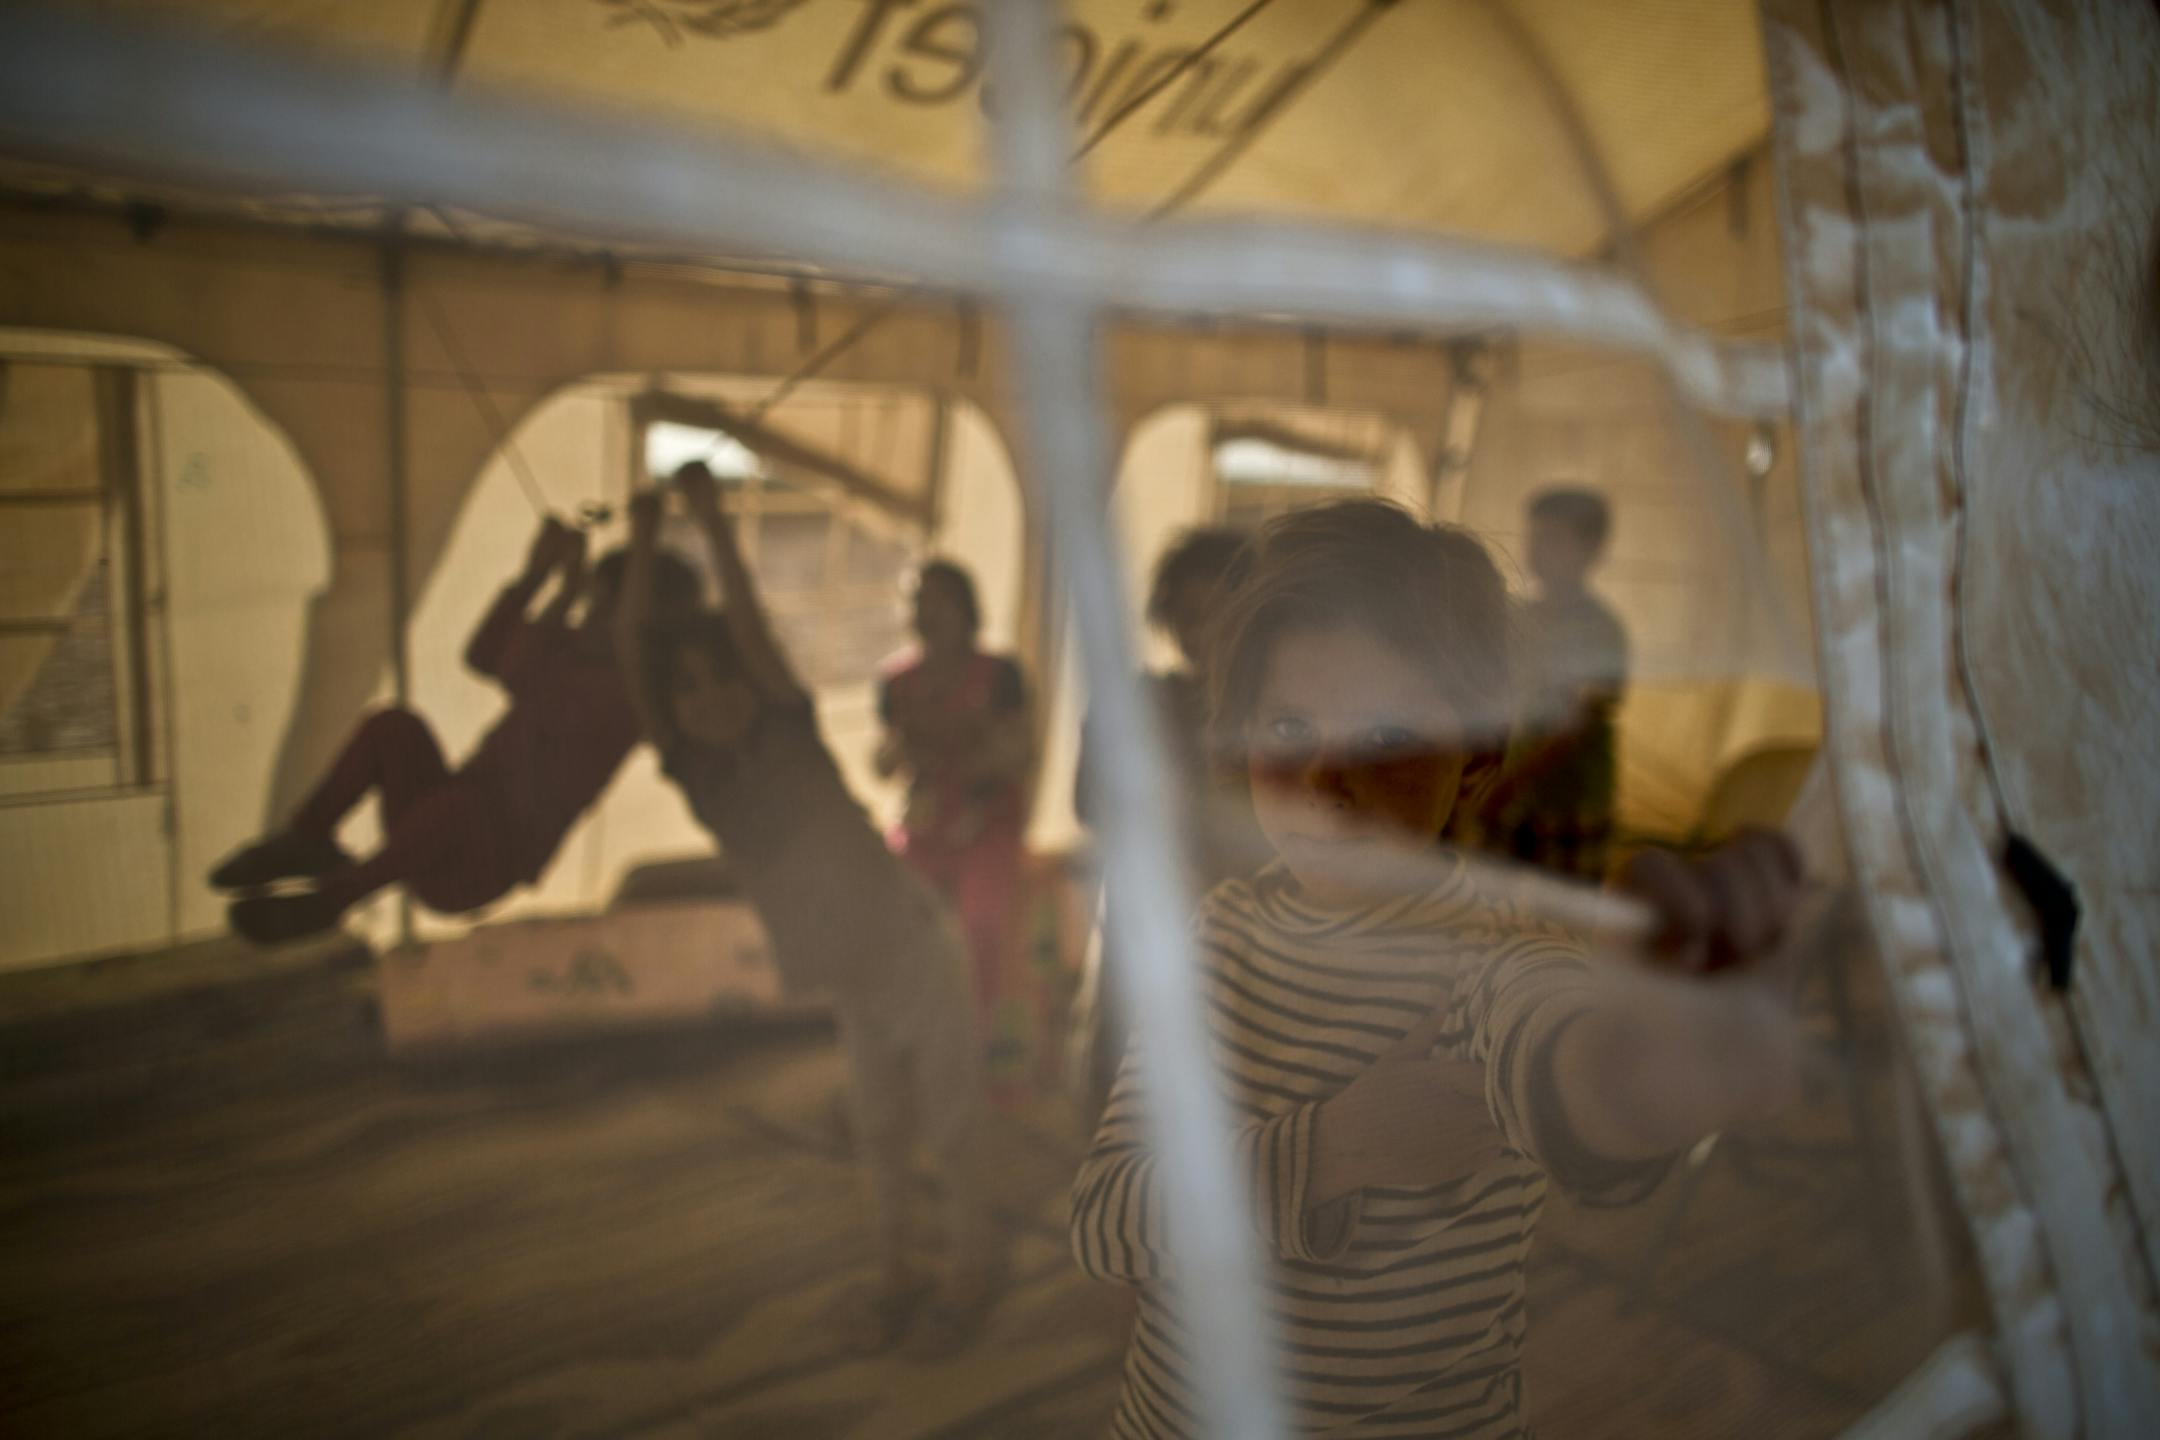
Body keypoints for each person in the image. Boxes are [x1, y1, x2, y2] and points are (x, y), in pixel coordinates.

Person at [1070, 500, 1807, 1439]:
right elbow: (1106, 1221)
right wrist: (1338, 1146)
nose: (1326, 785)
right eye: (1288, 728)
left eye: (1386, 739)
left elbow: (1575, 1076)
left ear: (1478, 757)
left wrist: (1655, 1068)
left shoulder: (1493, 959)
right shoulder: (1218, 937)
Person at [618, 462, 996, 1358]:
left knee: (949, 1119)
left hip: (909, 944)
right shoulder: (693, 768)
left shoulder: (785, 722)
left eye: (722, 679)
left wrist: (711, 520)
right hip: (846, 965)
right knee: (878, 1121)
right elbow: (633, 647)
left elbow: (747, 623)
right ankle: (897, 1269)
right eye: (688, 688)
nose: (710, 698)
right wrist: (643, 536)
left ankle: (971, 1269)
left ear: (752, 682)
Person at [210, 515, 700, 946]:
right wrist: (538, 577)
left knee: (460, 809)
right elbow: (483, 655)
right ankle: (308, 836)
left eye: (605, 608)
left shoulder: (635, 697)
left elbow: (534, 669)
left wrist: (576, 581)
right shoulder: (570, 651)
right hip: (438, 821)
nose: (590, 616)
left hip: (483, 863)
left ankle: (333, 899)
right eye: (593, 605)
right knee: (394, 728)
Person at [1068, 526, 1258, 1129]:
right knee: (1127, 1088)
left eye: (1220, 615)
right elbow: (1088, 803)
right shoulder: (1139, 701)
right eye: (1190, 617)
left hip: (1242, 938)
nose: (1203, 634)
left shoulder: (1280, 714)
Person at [875, 559, 1035, 1094]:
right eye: (920, 602)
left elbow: (1018, 754)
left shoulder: (1000, 675)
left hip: (988, 822)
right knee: (898, 924)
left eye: (940, 601)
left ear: (965, 609)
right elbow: (885, 762)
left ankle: (980, 1050)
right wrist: (908, 749)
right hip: (923, 825)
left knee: (982, 924)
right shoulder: (896, 681)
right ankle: (913, 1049)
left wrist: (969, 747)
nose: (929, 614)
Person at [1484, 486, 1630, 880]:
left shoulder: (1600, 630)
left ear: (1592, 550)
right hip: (1514, 797)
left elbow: (1575, 725)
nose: (1536, 550)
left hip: (1570, 804)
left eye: (1552, 539)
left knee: (1563, 908)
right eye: (1534, 537)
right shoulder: (1521, 617)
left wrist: (1507, 785)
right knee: (1491, 906)